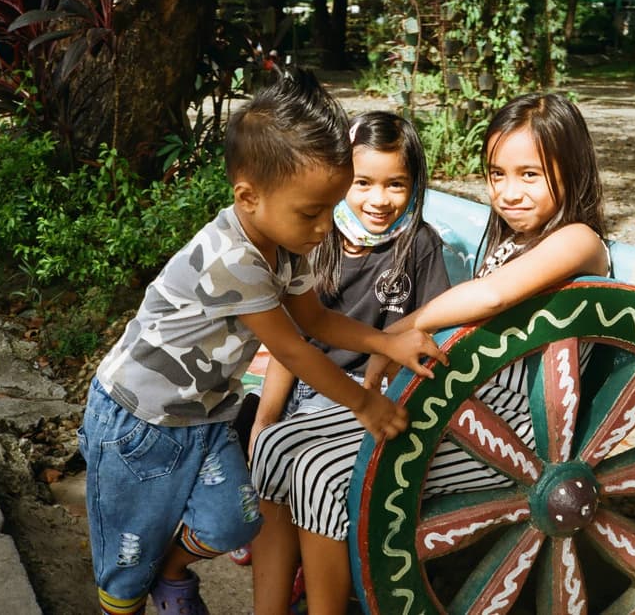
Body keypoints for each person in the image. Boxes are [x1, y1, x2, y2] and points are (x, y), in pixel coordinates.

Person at [77, 69, 445, 615]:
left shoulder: (286, 244)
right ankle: (140, 590)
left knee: (236, 521)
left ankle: (170, 572)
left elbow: (316, 321)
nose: (325, 228)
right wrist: (366, 404)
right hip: (139, 423)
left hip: (203, 417)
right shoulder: (234, 260)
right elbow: (295, 350)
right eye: (311, 211)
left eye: (329, 207)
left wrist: (386, 344)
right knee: (126, 562)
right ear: (248, 196)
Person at [250, 92, 610, 615]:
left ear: (571, 169)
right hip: (462, 397)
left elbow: (492, 296)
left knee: (321, 471)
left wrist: (404, 328)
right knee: (277, 445)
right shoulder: (512, 238)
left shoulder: (579, 240)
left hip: (517, 431)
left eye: (529, 175)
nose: (508, 193)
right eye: (497, 174)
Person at [228, 110, 451, 571]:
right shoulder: (317, 236)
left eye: (396, 184)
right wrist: (264, 420)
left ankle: (301, 562)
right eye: (363, 183)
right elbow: (295, 341)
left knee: (298, 456)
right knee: (252, 430)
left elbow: (432, 324)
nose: (379, 200)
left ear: (413, 186)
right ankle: (274, 539)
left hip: (370, 389)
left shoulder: (417, 244)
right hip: (309, 379)